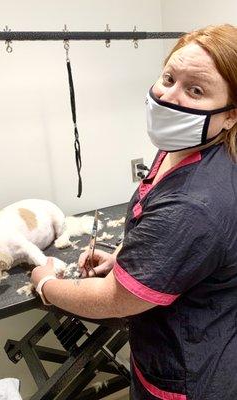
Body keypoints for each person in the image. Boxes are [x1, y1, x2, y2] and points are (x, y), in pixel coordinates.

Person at [31, 24, 237, 400]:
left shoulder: (193, 203)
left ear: (231, 115)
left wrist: (46, 283)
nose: (168, 97)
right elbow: (179, 251)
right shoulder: (183, 146)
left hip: (189, 375)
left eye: (196, 90)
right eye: (168, 78)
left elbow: (115, 300)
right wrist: (127, 261)